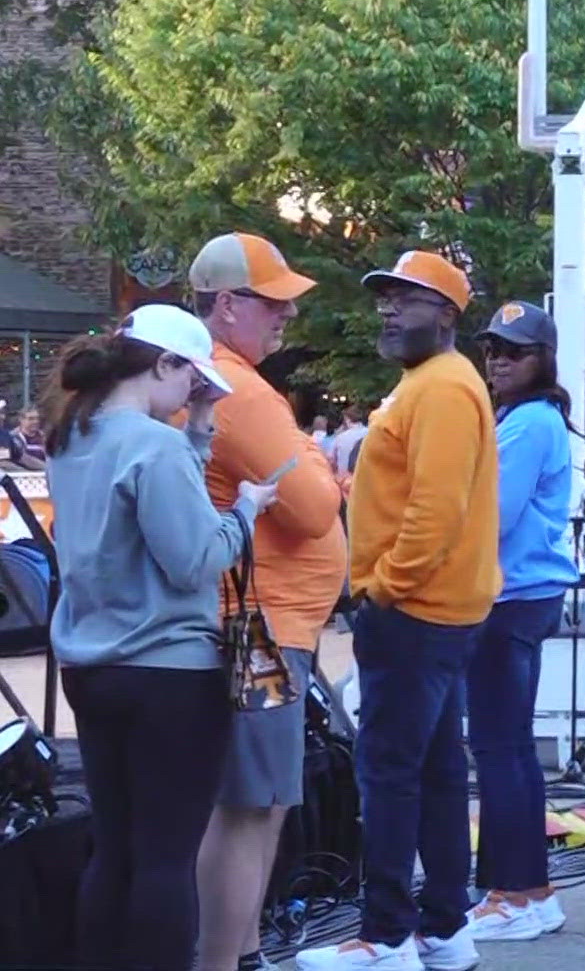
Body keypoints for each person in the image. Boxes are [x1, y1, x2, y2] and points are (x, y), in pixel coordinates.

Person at [44, 305, 277, 971]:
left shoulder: (74, 436)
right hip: (170, 671)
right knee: (167, 859)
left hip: (91, 665)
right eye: (190, 379)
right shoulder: (155, 446)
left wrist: (197, 431)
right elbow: (195, 559)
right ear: (163, 365)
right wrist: (244, 515)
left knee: (115, 847)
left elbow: (154, 507)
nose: (190, 394)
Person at [296, 251, 501, 971]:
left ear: (448, 315)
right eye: (385, 298)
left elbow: (435, 509)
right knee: (438, 770)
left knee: (388, 772)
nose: (389, 309)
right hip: (435, 610)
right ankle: (444, 929)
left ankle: (384, 936)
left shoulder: (440, 389)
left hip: (414, 610)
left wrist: (382, 585)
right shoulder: (433, 382)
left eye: (407, 300)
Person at [186, 232, 349, 971]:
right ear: (226, 306)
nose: (286, 315)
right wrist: (314, 456)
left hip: (265, 625)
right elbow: (314, 507)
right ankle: (229, 959)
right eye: (272, 302)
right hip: (260, 627)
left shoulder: (226, 381)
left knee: (264, 802)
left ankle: (241, 950)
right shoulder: (240, 390)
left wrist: (306, 456)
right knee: (250, 806)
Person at [462, 301, 579, 942]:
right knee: (508, 749)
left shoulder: (529, 423)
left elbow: (490, 516)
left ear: (542, 360)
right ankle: (524, 890)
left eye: (514, 351)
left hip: (510, 599)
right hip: (519, 597)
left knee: (500, 749)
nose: (498, 360)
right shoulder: (527, 418)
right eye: (493, 349)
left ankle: (513, 893)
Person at [329, 404, 369, 478]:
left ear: (347, 419)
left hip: (344, 480)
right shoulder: (370, 433)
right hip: (365, 479)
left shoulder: (340, 438)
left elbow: (331, 460)